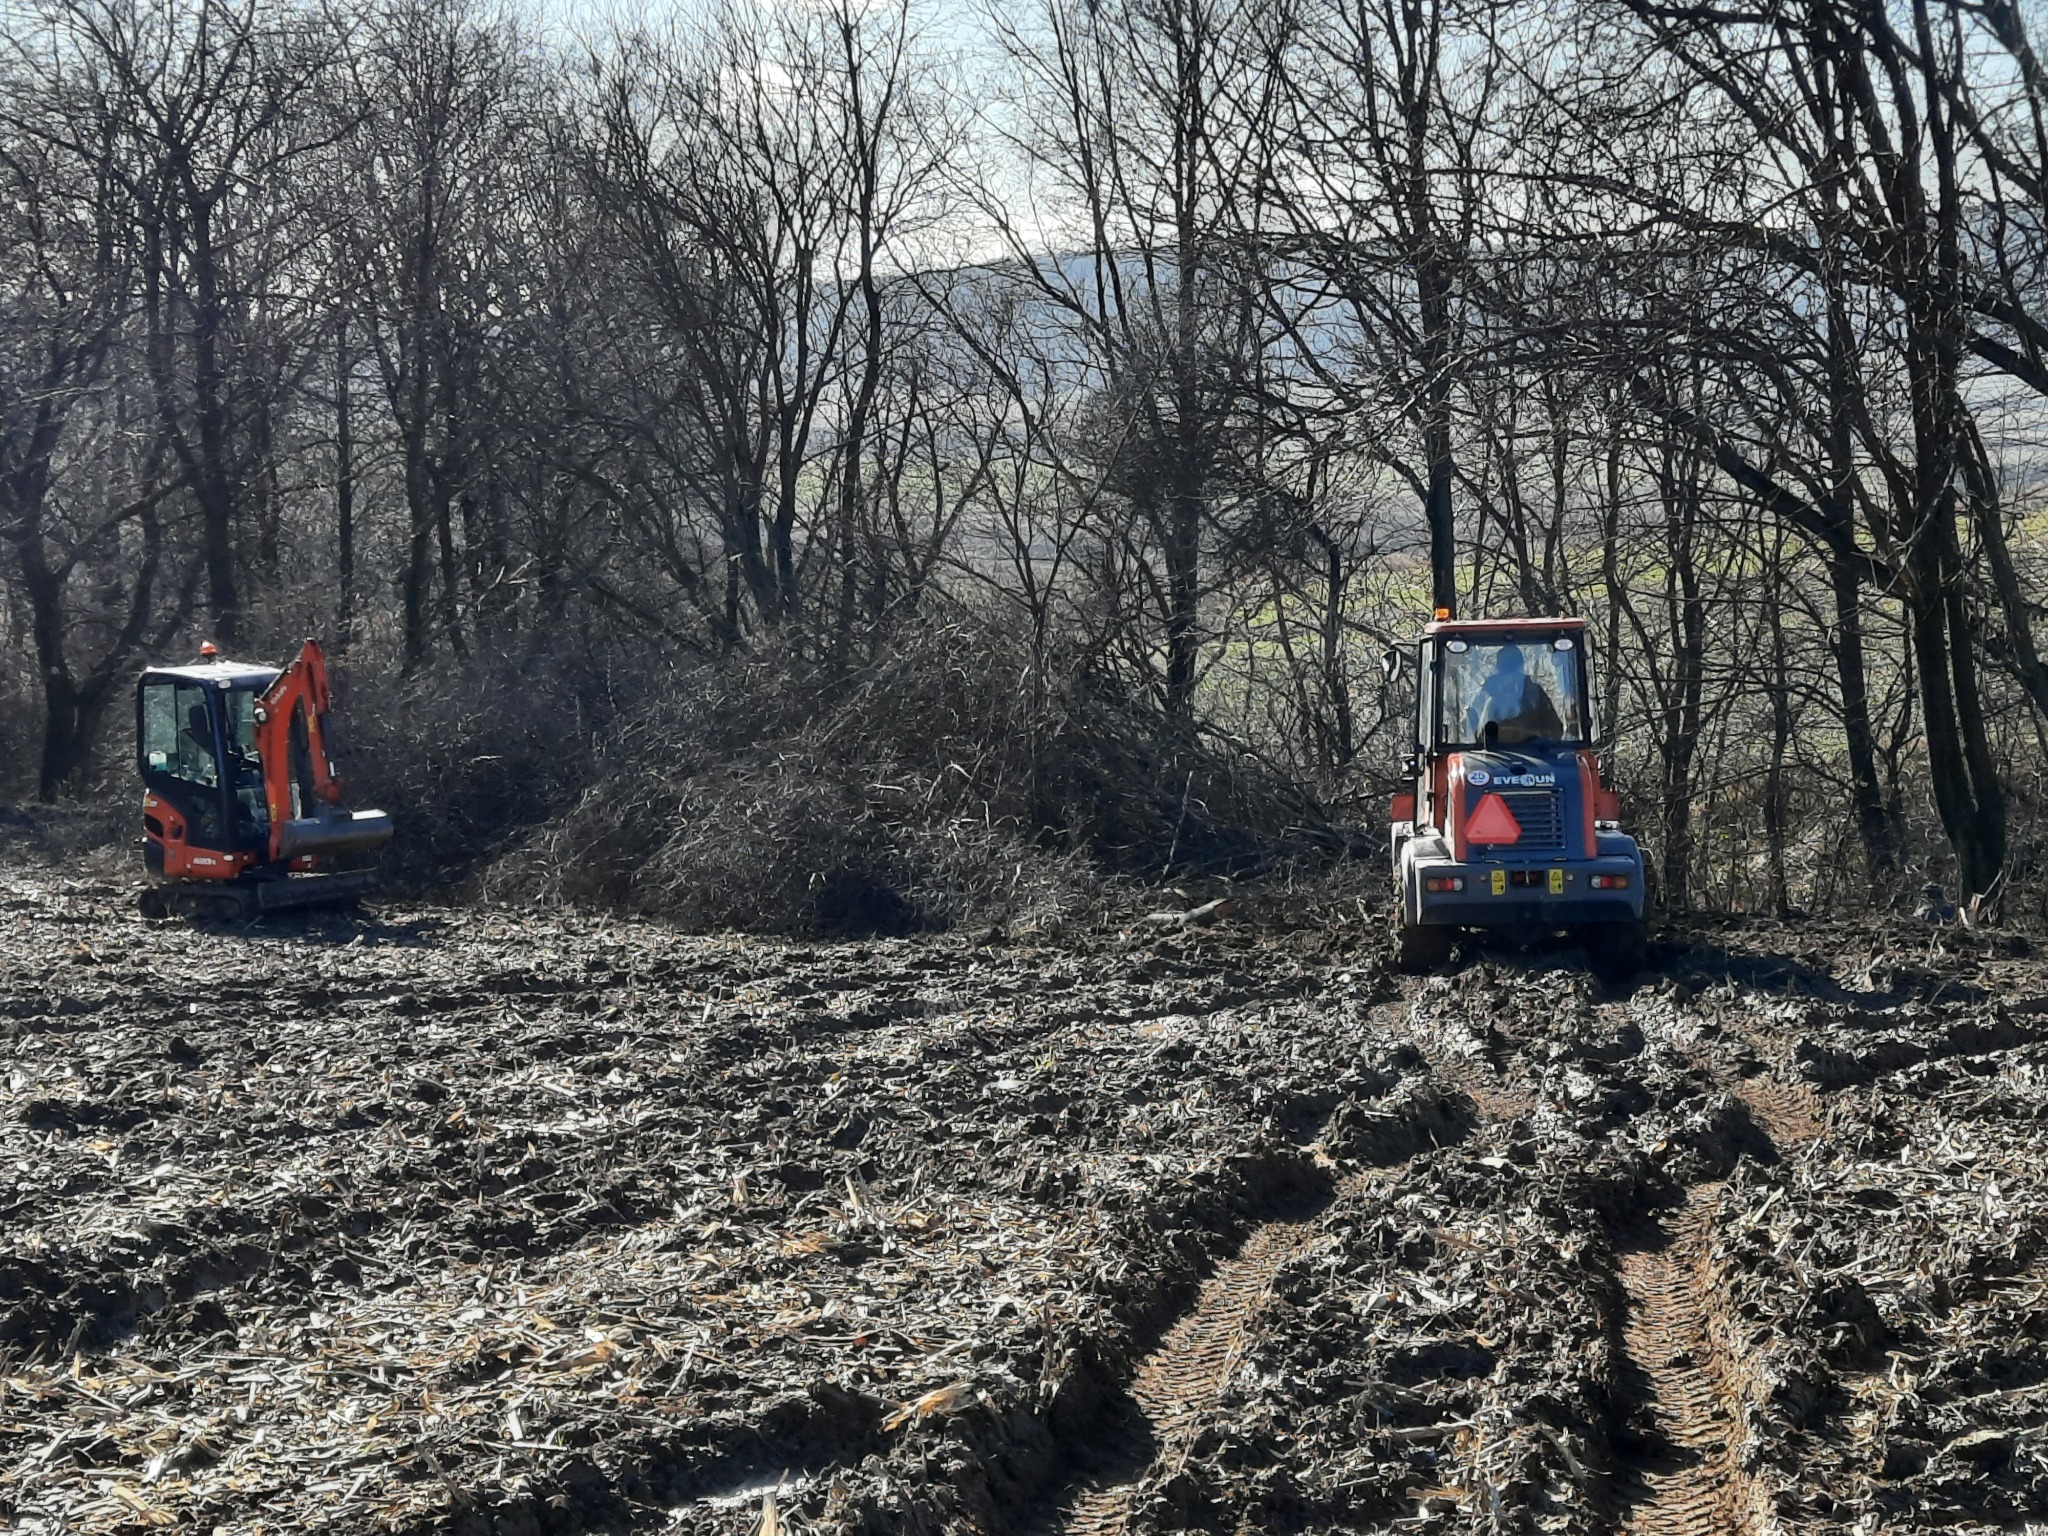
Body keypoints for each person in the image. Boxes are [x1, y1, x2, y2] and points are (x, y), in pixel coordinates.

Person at [1467, 645, 1563, 745]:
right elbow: (1475, 735)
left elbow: (1555, 732)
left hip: (1535, 752)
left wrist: (1529, 734)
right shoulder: (1486, 696)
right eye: (1506, 671)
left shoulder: (1535, 696)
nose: (1510, 679)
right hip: (1491, 755)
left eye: (1514, 671)